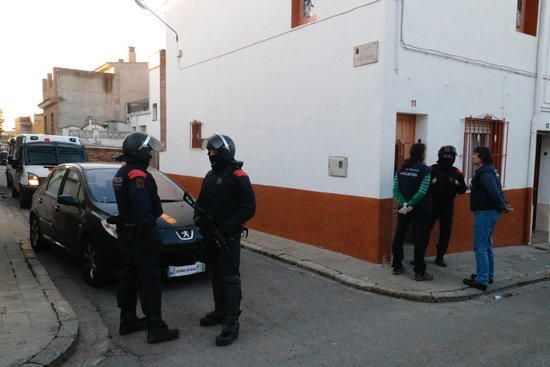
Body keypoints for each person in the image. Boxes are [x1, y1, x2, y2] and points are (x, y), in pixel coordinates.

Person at [112, 132, 179, 344]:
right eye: (147, 150)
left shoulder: (122, 172)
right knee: (149, 281)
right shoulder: (138, 176)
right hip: (141, 236)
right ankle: (156, 327)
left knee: (128, 278)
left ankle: (128, 320)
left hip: (127, 235)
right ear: (139, 151)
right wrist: (151, 236)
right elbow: (144, 212)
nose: (150, 154)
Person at [195, 134, 256, 346]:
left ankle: (232, 323)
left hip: (228, 236)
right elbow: (202, 202)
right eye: (209, 152)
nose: (210, 155)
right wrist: (199, 217)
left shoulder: (238, 176)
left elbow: (248, 208)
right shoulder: (210, 176)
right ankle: (220, 312)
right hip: (211, 235)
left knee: (230, 278)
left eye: (214, 152)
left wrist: (230, 225)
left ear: (225, 151)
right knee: (216, 275)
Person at [463, 146, 512, 291]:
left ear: (481, 157)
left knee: (480, 246)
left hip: (485, 212)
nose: (472, 157)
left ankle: (482, 279)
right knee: (487, 244)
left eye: (475, 154)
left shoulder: (485, 173)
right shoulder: (490, 171)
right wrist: (503, 204)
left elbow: (494, 192)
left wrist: (502, 205)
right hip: (490, 212)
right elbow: (498, 191)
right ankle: (487, 275)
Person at [391, 143, 434, 281]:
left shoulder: (401, 168)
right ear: (423, 154)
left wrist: (404, 204)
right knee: (420, 239)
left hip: (403, 209)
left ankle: (397, 266)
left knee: (399, 235)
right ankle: (419, 272)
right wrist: (410, 204)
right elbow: (422, 191)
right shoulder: (425, 170)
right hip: (420, 209)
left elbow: (395, 189)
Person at [428, 146, 467, 267]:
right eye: (445, 155)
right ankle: (418, 255)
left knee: (446, 231)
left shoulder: (456, 172)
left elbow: (462, 190)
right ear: (440, 156)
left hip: (448, 206)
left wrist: (456, 183)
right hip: (432, 205)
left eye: (451, 156)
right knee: (424, 229)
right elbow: (424, 186)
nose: (448, 158)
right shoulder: (431, 169)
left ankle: (440, 257)